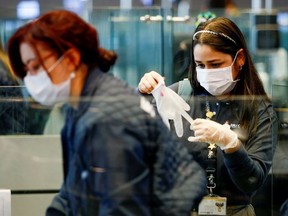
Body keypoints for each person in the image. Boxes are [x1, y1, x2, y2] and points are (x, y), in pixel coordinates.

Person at [7, 10, 207, 216]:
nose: (30, 77)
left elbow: (122, 209)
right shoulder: (85, 103)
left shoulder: (107, 119)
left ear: (71, 58)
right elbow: (73, 189)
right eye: (27, 70)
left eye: (36, 66)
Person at [138, 17, 278, 215]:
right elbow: (133, 129)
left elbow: (252, 181)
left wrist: (231, 145)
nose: (207, 73)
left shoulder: (259, 110)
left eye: (215, 64)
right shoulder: (181, 94)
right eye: (200, 65)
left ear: (240, 58)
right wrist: (144, 91)